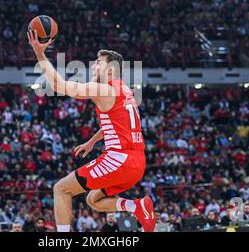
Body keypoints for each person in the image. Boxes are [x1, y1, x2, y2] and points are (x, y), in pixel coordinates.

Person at [28, 29, 155, 232]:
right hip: (136, 163)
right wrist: (93, 141)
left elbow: (59, 86)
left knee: (61, 189)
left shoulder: (104, 89)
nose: (94, 65)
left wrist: (40, 54)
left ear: (111, 70)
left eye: (99, 62)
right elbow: (116, 124)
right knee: (93, 199)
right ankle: (136, 206)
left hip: (120, 160)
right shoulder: (125, 90)